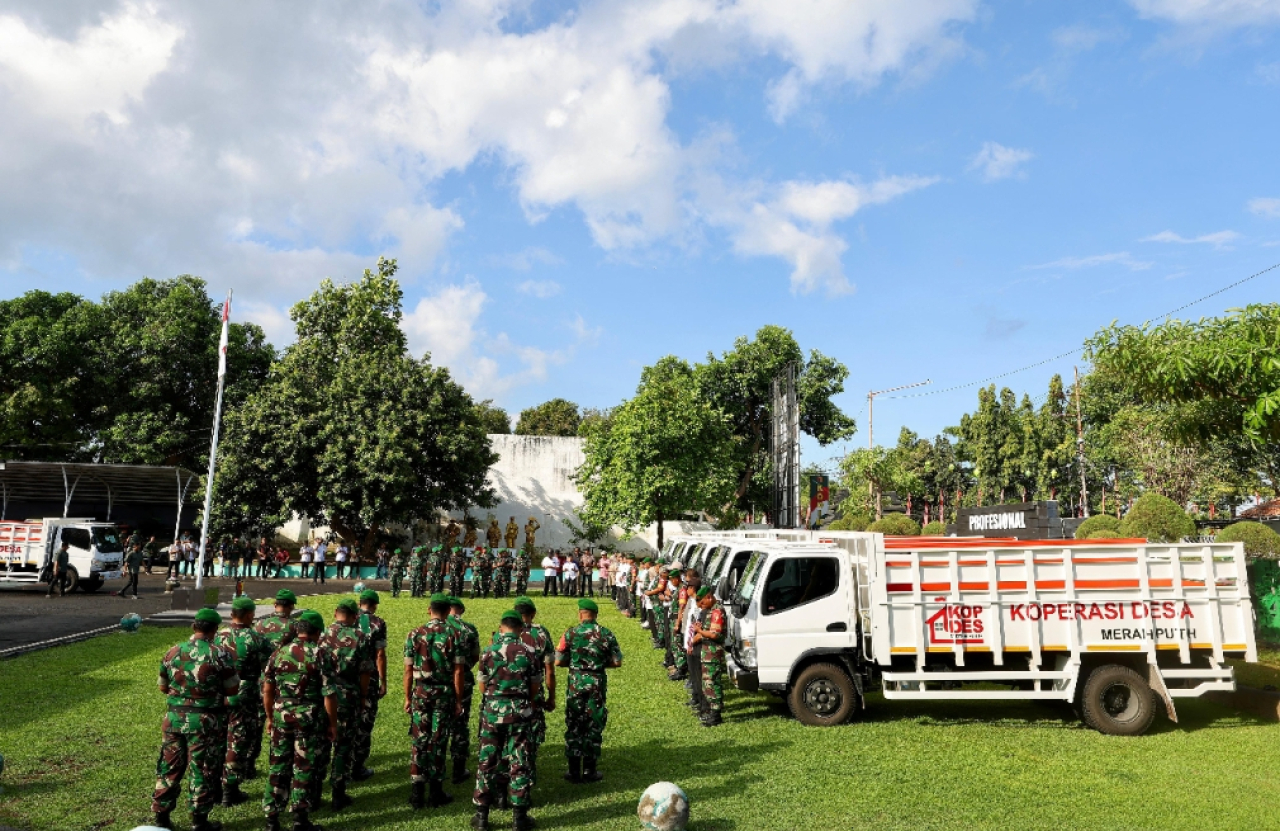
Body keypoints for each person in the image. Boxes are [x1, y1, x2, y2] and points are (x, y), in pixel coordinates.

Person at [152, 607, 239, 831]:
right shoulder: (220, 653)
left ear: (194, 627)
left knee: (169, 767)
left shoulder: (173, 651)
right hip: (205, 722)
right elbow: (232, 690)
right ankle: (199, 822)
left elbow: (163, 687)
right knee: (202, 770)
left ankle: (161, 816)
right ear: (215, 630)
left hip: (173, 719)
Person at [262, 609, 337, 831]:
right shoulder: (320, 654)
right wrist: (332, 724)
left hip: (280, 715)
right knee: (303, 767)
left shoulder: (279, 652)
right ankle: (300, 820)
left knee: (278, 765)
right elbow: (329, 695)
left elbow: (267, 689)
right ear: (317, 632)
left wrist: (269, 717)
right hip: (308, 718)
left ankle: (271, 819)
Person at [471, 609, 541, 831]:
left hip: (492, 711)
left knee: (487, 761)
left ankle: (482, 816)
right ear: (520, 630)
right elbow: (534, 687)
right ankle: (519, 817)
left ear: (501, 628)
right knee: (519, 762)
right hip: (519, 712)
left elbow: (482, 686)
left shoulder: (488, 652)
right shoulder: (529, 652)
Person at [404, 592, 466, 809]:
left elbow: (408, 670)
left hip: (420, 692)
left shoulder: (415, 633)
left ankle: (416, 793)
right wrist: (458, 701)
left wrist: (407, 697)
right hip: (444, 693)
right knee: (438, 742)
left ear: (429, 610)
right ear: (448, 612)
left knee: (419, 741)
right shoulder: (454, 634)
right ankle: (436, 792)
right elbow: (459, 672)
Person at [556, 598, 622, 784]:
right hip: (596, 682)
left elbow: (558, 660)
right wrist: (598, 664)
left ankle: (573, 770)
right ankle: (590, 770)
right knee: (594, 722)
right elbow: (617, 661)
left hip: (576, 682)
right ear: (596, 615)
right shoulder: (606, 634)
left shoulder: (570, 633)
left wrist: (577, 664)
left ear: (580, 613)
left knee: (575, 722)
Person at [217, 596, 272, 806]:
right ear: (250, 615)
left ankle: (213, 786)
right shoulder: (257, 639)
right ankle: (229, 790)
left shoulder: (217, 636)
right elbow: (270, 671)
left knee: (217, 739)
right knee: (238, 741)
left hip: (218, 696)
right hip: (245, 697)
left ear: (232, 615)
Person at [319, 598, 374, 811]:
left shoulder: (322, 635)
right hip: (349, 696)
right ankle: (338, 794)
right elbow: (365, 671)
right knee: (343, 746)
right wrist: (362, 696)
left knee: (322, 744)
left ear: (335, 613)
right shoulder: (360, 637)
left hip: (324, 695)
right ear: (355, 616)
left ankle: (314, 791)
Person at [511, 596, 555, 793]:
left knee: (507, 740)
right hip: (533, 694)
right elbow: (550, 669)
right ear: (533, 614)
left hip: (507, 695)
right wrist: (551, 696)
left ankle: (505, 788)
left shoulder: (505, 632)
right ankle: (527, 779)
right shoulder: (541, 634)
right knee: (531, 738)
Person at [352, 590, 388, 781]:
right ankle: (357, 766)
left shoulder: (347, 619)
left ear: (360, 603)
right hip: (370, 679)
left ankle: (341, 763)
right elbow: (380, 654)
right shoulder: (378, 623)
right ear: (374, 605)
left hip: (347, 679)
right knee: (364, 723)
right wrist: (383, 681)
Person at [445, 596, 481, 787]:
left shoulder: (432, 628)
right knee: (460, 723)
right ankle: (458, 769)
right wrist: (465, 667)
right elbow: (476, 656)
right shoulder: (469, 629)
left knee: (436, 724)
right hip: (463, 681)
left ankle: (434, 768)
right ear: (461, 610)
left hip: (438, 682)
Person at [692, 586, 727, 726]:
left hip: (713, 652)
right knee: (708, 682)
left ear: (709, 597)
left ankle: (716, 714)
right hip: (708, 652)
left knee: (712, 682)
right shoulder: (711, 611)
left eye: (703, 603)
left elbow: (714, 634)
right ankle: (713, 711)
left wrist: (700, 630)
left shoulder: (717, 611)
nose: (702, 606)